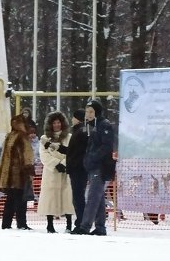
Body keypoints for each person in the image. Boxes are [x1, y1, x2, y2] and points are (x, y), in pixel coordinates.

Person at [72, 100, 116, 235]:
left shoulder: (104, 125)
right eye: (87, 111)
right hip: (93, 166)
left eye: (91, 111)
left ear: (97, 112)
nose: (88, 114)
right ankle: (100, 227)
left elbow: (106, 146)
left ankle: (85, 226)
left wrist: (92, 158)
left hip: (100, 166)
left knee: (92, 197)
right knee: (98, 197)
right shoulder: (91, 126)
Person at [0, 113, 33, 230]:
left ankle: (6, 224)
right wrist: (29, 170)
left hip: (9, 175)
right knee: (20, 200)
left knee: (10, 200)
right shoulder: (22, 136)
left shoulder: (10, 136)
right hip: (19, 174)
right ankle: (21, 224)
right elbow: (27, 154)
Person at [37, 112, 73, 233]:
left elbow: (72, 153)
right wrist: (56, 164)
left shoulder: (69, 137)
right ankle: (50, 225)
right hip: (50, 173)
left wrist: (63, 164)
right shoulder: (44, 139)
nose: (56, 125)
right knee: (50, 198)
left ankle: (69, 224)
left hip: (66, 172)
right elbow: (43, 155)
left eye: (58, 122)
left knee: (67, 197)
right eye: (54, 123)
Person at [66, 109, 89, 228]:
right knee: (78, 197)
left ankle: (81, 222)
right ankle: (81, 221)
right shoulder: (81, 131)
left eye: (73, 117)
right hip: (78, 168)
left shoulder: (80, 131)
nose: (71, 119)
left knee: (78, 197)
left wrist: (73, 164)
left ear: (77, 118)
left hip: (78, 169)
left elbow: (76, 152)